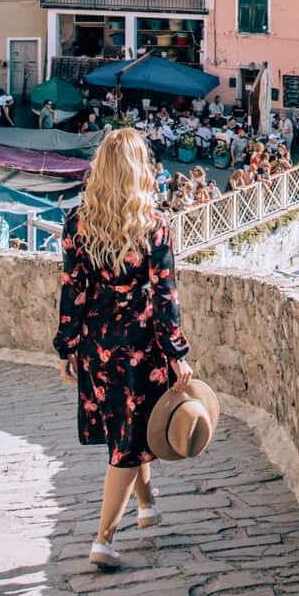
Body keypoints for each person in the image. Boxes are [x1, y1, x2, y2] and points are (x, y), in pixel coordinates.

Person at [54, 127, 193, 571]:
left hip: (97, 344)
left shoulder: (77, 223)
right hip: (142, 346)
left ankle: (147, 506)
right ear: (139, 171)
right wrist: (176, 353)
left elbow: (72, 290)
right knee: (129, 441)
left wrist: (67, 347)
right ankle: (104, 539)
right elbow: (163, 296)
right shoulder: (154, 225)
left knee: (129, 430)